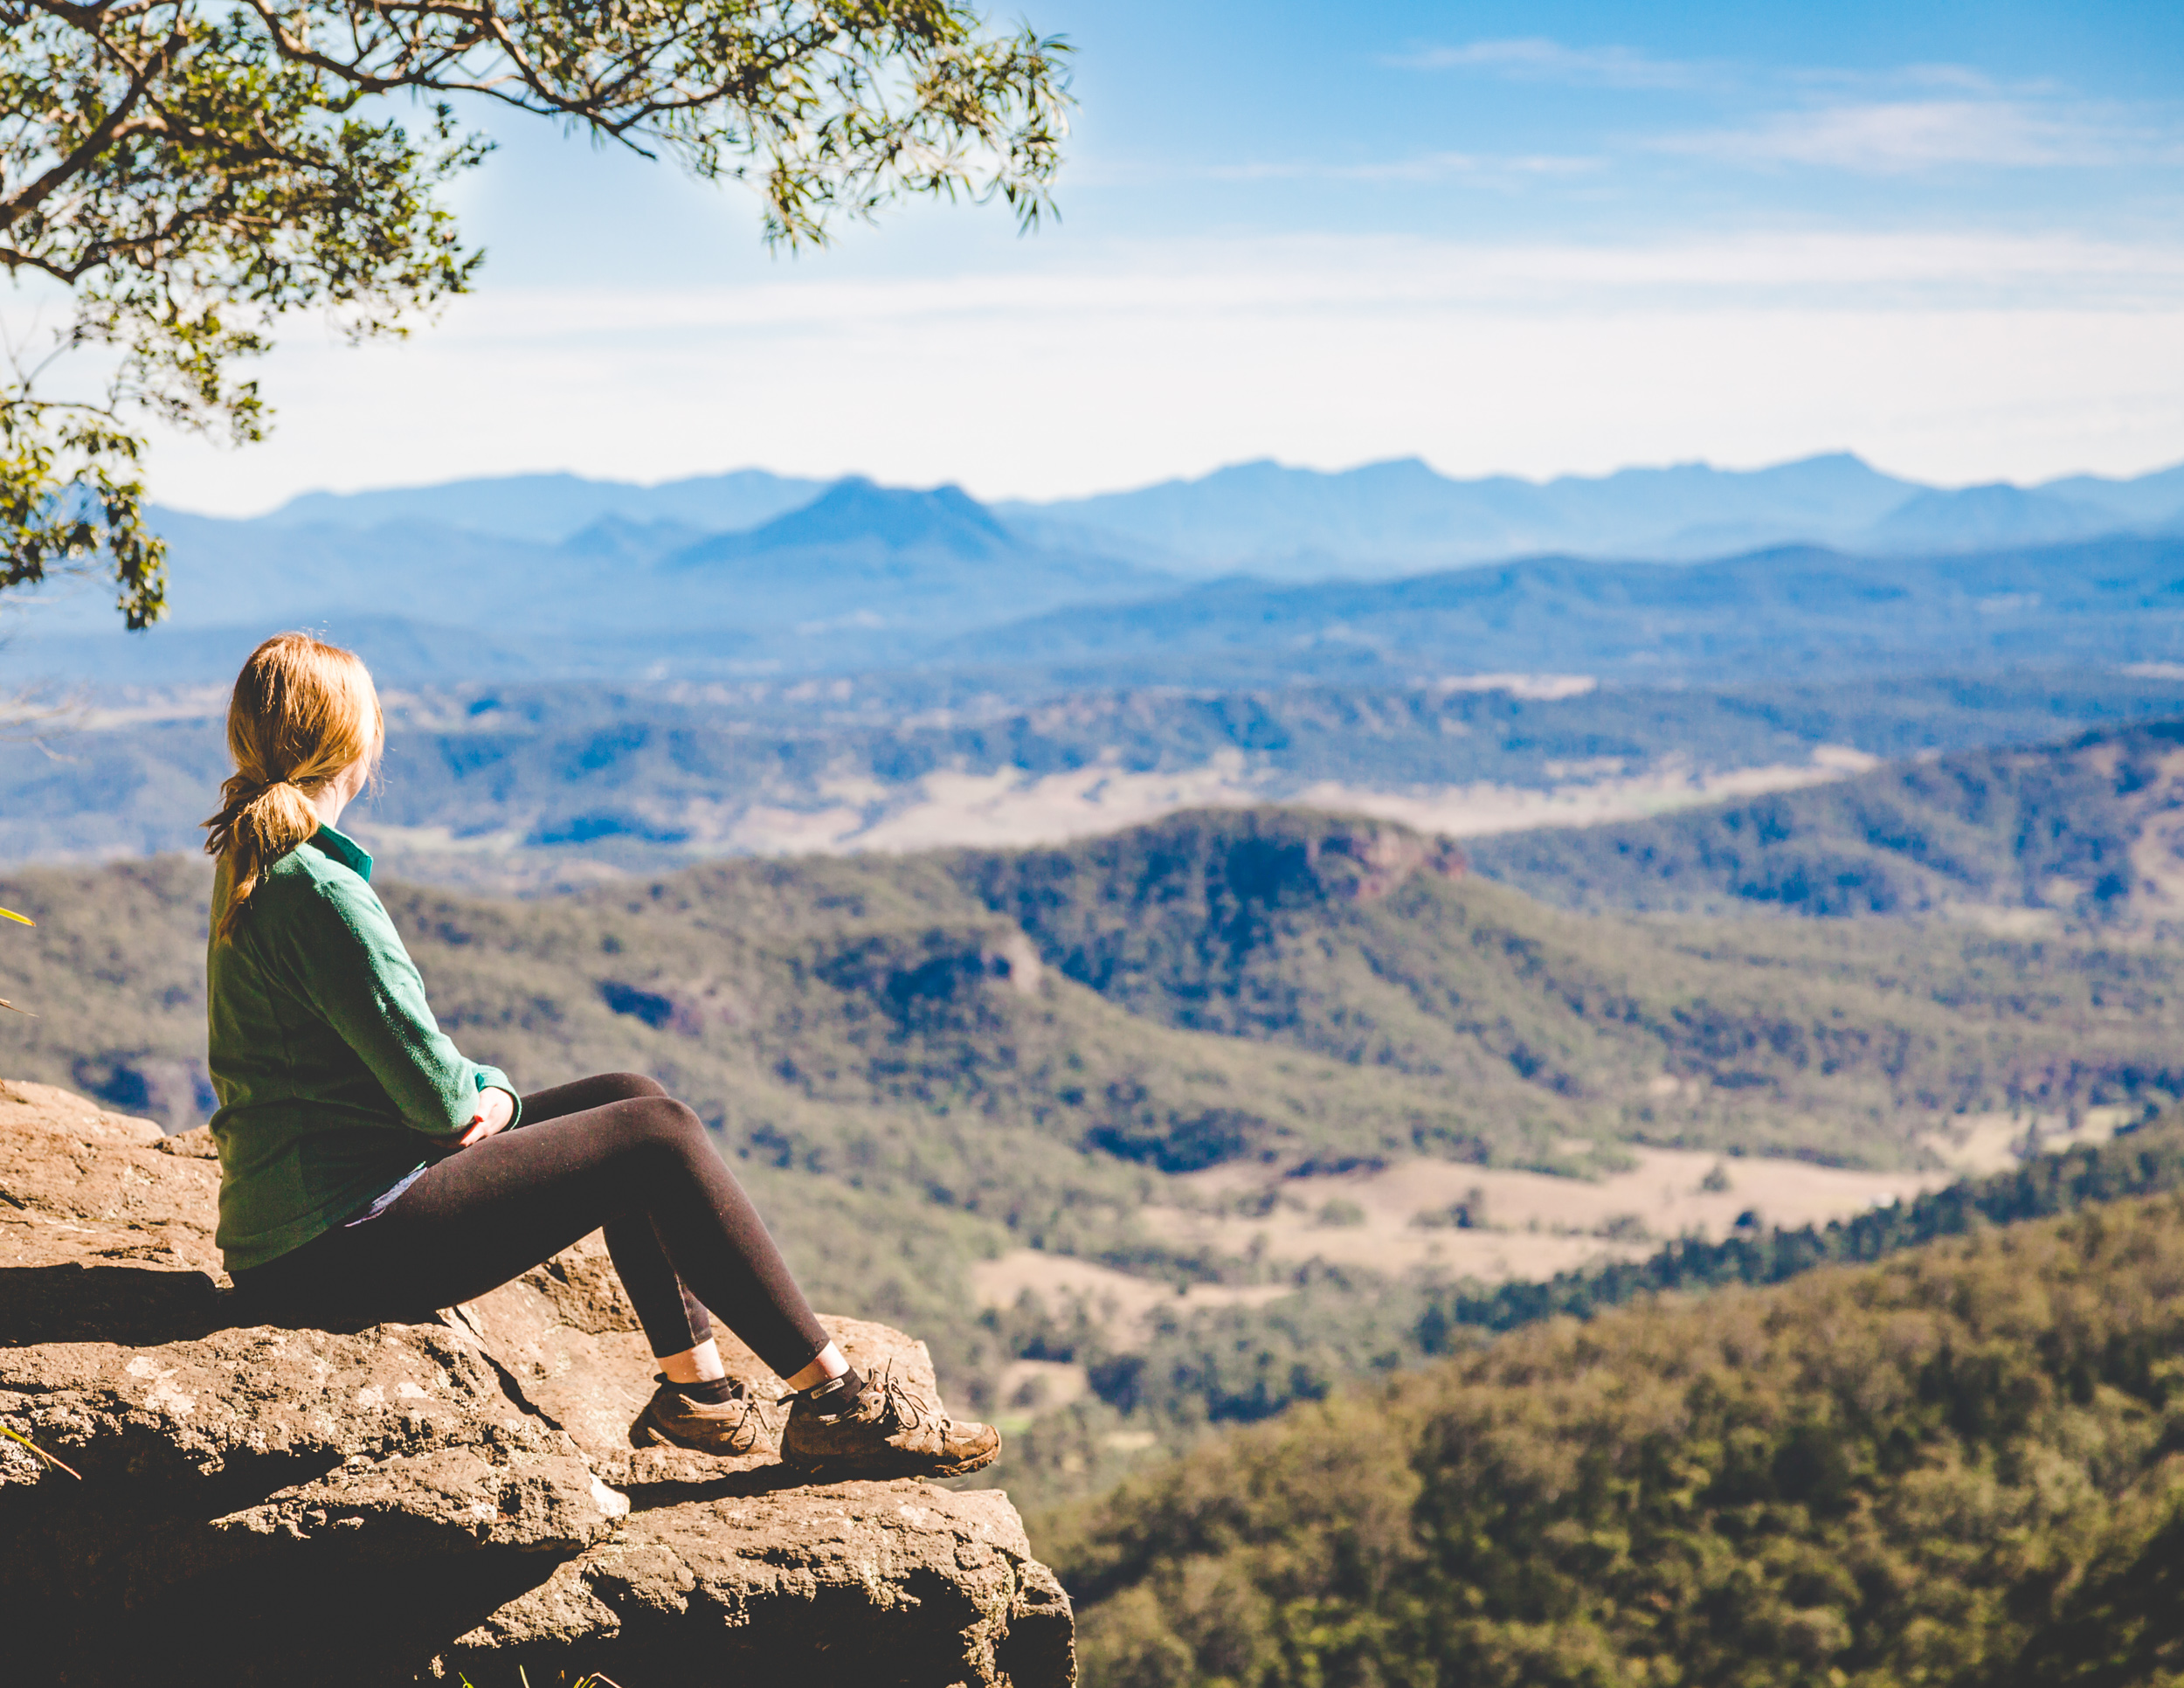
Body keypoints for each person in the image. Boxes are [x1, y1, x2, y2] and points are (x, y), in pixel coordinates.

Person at [201, 632, 998, 1479]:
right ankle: (837, 1405)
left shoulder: (264, 856)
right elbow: (441, 1106)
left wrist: (473, 1101)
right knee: (653, 1135)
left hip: (312, 1222)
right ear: (356, 741)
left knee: (628, 1093)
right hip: (335, 1247)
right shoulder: (322, 889)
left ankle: (698, 1396)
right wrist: (495, 1098)